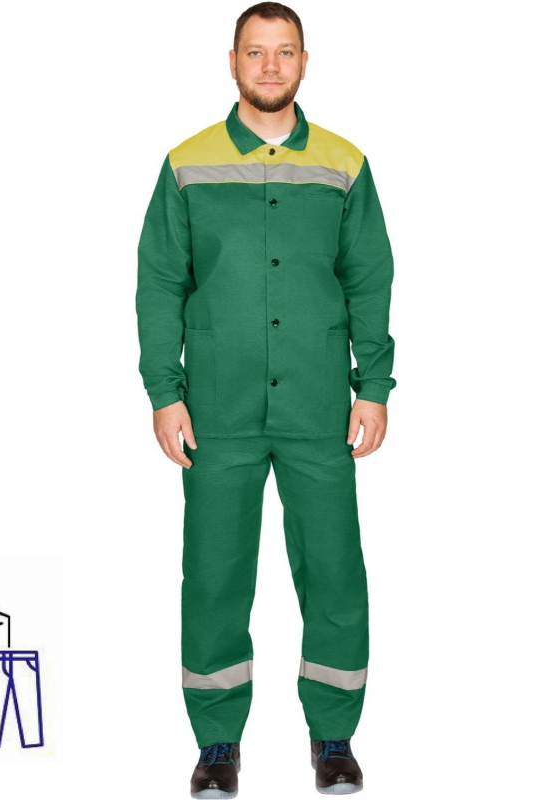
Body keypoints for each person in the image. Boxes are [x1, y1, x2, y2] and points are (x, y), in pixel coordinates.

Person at [135, 3, 395, 796]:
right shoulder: (187, 163)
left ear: (305, 62)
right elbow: (159, 283)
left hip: (319, 408)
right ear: (233, 62)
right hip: (217, 409)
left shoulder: (345, 163)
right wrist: (164, 392)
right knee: (214, 575)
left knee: (335, 571)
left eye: (285, 52)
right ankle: (218, 743)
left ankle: (333, 737)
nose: (271, 66)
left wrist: (373, 387)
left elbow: (369, 278)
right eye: (256, 52)